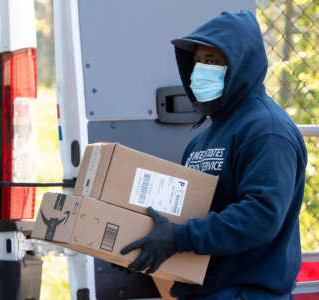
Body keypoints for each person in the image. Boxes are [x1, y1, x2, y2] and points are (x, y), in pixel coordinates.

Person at [120, 10, 307, 300]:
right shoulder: (204, 138)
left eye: (212, 61)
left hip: (246, 293)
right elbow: (186, 213)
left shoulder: (267, 130)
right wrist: (139, 239)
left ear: (240, 65)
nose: (200, 70)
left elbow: (262, 215)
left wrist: (179, 238)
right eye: (197, 61)